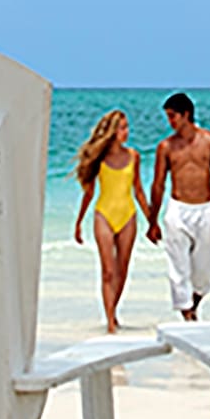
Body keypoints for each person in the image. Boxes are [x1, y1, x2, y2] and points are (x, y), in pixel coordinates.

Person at [145, 92, 210, 320]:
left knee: (203, 271)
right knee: (178, 268)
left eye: (173, 116)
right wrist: (152, 221)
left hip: (205, 209)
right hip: (177, 210)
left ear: (186, 114)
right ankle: (187, 315)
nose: (170, 121)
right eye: (168, 116)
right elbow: (158, 185)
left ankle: (193, 304)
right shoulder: (165, 147)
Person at [72, 109, 150, 333]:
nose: (126, 132)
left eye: (127, 127)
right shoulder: (99, 158)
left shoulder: (134, 156)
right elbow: (88, 192)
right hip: (103, 215)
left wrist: (152, 220)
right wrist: (78, 222)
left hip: (128, 216)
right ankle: (110, 323)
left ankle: (113, 311)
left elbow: (138, 191)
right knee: (108, 271)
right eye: (122, 128)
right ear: (112, 131)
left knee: (122, 269)